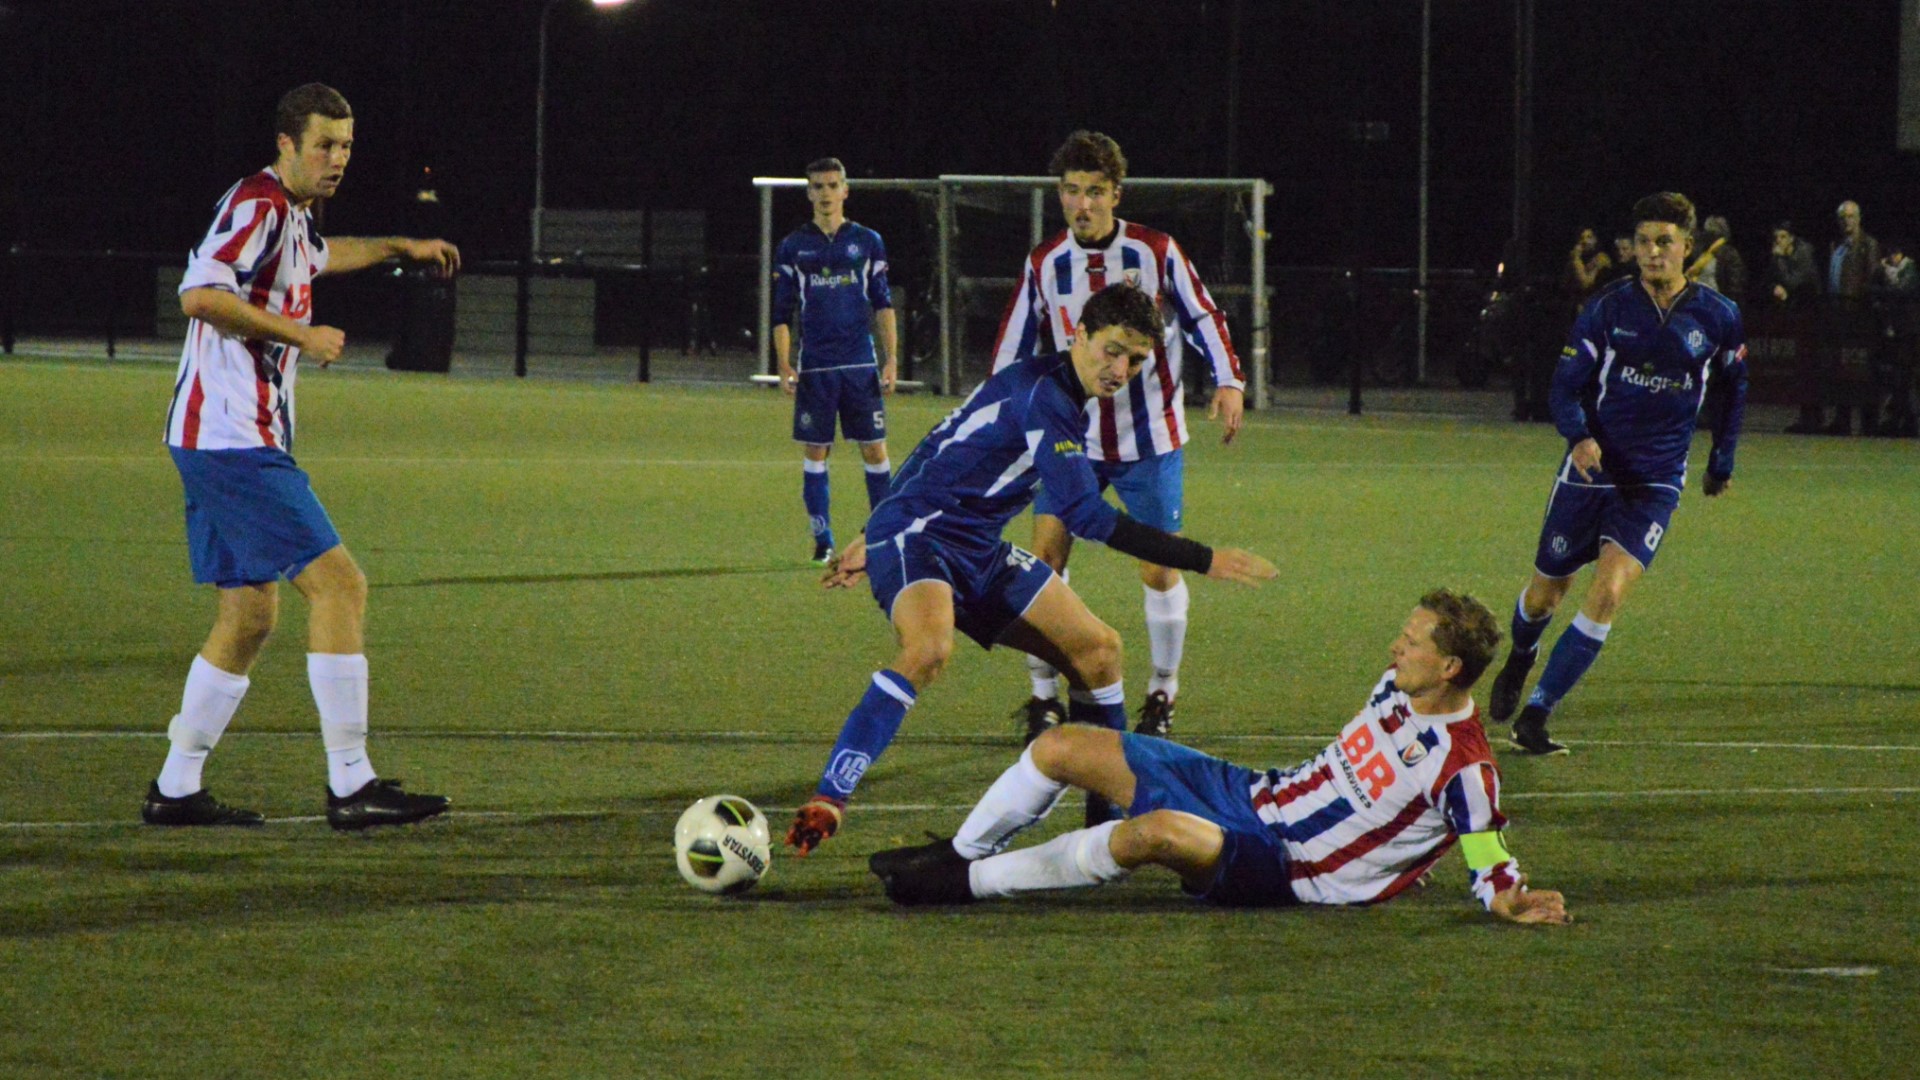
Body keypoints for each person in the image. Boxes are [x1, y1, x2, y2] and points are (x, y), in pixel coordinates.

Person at [784, 285, 1276, 854]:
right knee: (929, 648)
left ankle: (1104, 823)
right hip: (918, 536)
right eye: (1113, 351)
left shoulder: (1050, 385)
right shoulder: (1047, 396)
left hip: (977, 546)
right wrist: (1205, 559)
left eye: (1137, 360)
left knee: (1099, 652)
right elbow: (1086, 515)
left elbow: (937, 442)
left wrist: (867, 532)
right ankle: (831, 796)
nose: (1121, 370)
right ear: (1080, 336)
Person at [868, 589, 1572, 927]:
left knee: (1153, 834)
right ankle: (956, 854)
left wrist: (1506, 895)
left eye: (1412, 642)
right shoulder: (1397, 684)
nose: (1396, 647)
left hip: (1285, 866)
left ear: (1449, 668)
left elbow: (1487, 849)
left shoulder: (1465, 766)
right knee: (1058, 746)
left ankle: (965, 885)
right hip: (1254, 793)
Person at [147, 83, 460, 829]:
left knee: (250, 614)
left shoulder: (292, 214)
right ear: (286, 143)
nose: (337, 158)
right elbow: (199, 295)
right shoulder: (257, 205)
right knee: (340, 586)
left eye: (346, 146)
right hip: (231, 438)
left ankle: (176, 787)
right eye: (324, 144)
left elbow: (321, 257)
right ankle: (351, 783)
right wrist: (302, 335)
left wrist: (399, 246)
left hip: (217, 438)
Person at [989, 131, 1246, 745]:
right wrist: (1002, 419)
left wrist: (1229, 380)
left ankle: (1162, 691)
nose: (1082, 204)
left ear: (1116, 194)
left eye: (1095, 192)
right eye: (1072, 191)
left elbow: (1204, 314)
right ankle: (1044, 697)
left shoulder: (1155, 251)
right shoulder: (1044, 263)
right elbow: (1011, 348)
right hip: (1066, 441)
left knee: (1158, 568)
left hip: (1148, 441)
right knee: (1044, 564)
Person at [1484, 192, 1748, 755]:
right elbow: (1564, 387)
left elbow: (1734, 388)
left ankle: (1537, 714)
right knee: (1545, 595)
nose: (1652, 252)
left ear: (1687, 247)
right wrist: (1579, 437)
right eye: (1644, 242)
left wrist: (1721, 460)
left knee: (1608, 593)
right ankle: (1521, 657)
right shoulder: (1607, 308)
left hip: (1655, 481)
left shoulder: (1719, 316)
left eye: (1664, 242)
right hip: (1592, 471)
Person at [772, 157, 899, 564]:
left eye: (832, 185)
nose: (825, 193)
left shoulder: (867, 241)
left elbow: (883, 304)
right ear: (809, 193)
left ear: (845, 190)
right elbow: (781, 313)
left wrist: (891, 359)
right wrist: (784, 363)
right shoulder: (793, 246)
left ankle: (881, 535)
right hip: (816, 367)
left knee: (875, 451)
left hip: (860, 364)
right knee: (816, 452)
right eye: (818, 186)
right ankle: (823, 540)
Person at [1816, 200, 1886, 435]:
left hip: (1860, 316)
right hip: (1838, 316)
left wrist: (1863, 306)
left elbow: (1873, 279)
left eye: (1851, 216)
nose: (1847, 221)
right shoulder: (1836, 245)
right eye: (1843, 217)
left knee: (1864, 369)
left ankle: (1869, 421)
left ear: (1859, 218)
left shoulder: (1868, 244)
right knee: (1840, 369)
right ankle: (1842, 418)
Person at [1686, 215, 1746, 300]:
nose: (1706, 235)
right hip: (1699, 299)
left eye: (1711, 232)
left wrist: (1729, 302)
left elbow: (1735, 284)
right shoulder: (1704, 252)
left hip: (1717, 301)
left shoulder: (1729, 254)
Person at [1565, 227, 1614, 302]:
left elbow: (1585, 284)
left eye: (1589, 237)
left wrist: (1576, 258)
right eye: (1581, 238)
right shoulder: (1579, 259)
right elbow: (1565, 283)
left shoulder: (1601, 258)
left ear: (1595, 240)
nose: (1585, 241)